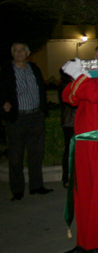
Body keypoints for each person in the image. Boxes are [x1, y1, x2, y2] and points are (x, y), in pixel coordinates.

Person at [61, 44, 98, 253]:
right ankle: (86, 242)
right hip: (83, 145)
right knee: (84, 195)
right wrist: (81, 78)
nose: (92, 62)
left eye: (97, 58)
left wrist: (81, 78)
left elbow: (96, 95)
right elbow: (68, 97)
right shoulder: (89, 78)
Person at [1, 42, 51, 201]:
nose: (19, 53)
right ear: (12, 54)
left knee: (36, 153)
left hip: (36, 116)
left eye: (22, 50)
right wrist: (4, 103)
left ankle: (36, 186)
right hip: (18, 118)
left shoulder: (34, 68)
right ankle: (17, 190)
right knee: (16, 156)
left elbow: (41, 89)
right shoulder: (7, 71)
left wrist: (43, 110)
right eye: (15, 50)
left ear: (28, 53)